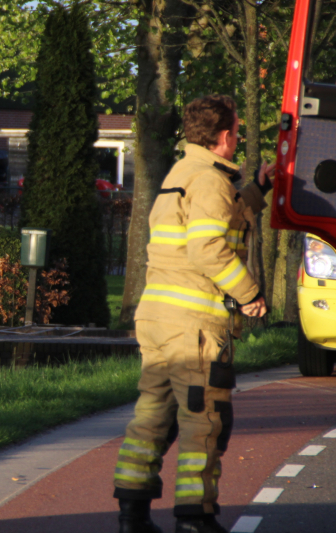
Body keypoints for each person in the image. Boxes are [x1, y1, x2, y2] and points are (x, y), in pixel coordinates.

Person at [112, 95, 272, 533]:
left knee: (151, 418)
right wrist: (248, 293)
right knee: (205, 423)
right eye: (237, 132)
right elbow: (209, 247)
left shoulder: (182, 173)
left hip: (157, 320)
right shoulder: (210, 181)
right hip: (194, 328)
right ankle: (195, 520)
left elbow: (219, 222)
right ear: (224, 137)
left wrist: (257, 190)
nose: (237, 138)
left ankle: (133, 517)